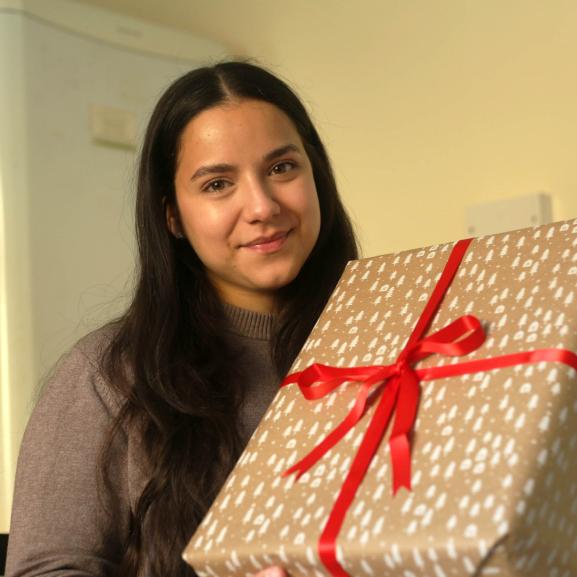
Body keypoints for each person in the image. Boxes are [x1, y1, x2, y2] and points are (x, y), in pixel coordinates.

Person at [6, 61, 358, 577]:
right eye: (218, 184)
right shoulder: (104, 376)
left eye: (282, 168)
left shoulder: (395, 345)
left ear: (316, 174)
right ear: (172, 215)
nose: (261, 205)